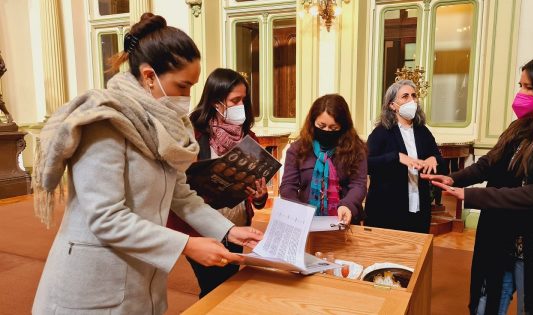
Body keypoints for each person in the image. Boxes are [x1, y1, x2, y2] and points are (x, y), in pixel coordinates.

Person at [31, 13, 262, 315]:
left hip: (141, 278)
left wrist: (227, 231)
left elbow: (181, 196)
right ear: (149, 76)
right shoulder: (105, 121)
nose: (187, 97)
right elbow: (106, 217)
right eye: (182, 86)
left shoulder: (163, 126)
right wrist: (185, 245)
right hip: (93, 284)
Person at [422, 54, 533, 314]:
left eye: (529, 88)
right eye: (520, 86)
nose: (521, 94)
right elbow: (489, 163)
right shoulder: (521, 127)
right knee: (487, 304)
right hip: (502, 240)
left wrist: (471, 196)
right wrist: (453, 178)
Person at [166, 68, 268, 298]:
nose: (241, 105)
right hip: (200, 225)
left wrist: (259, 196)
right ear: (215, 101)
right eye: (235, 100)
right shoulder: (192, 134)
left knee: (230, 283)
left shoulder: (248, 138)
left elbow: (253, 192)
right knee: (215, 288)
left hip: (237, 223)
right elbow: (179, 186)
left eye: (244, 99)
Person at [364, 80, 446, 233]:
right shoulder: (381, 132)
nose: (411, 100)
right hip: (387, 210)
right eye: (405, 96)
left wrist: (435, 159)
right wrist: (396, 157)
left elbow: (441, 165)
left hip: (418, 208)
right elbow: (366, 164)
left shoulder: (423, 132)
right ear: (392, 105)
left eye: (414, 96)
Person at [280, 94, 367, 225]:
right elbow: (288, 186)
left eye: (333, 128)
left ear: (343, 126)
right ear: (313, 122)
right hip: (306, 222)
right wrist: (299, 212)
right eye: (321, 126)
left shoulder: (355, 149)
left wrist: (347, 205)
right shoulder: (298, 149)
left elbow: (358, 185)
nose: (327, 131)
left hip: (343, 221)